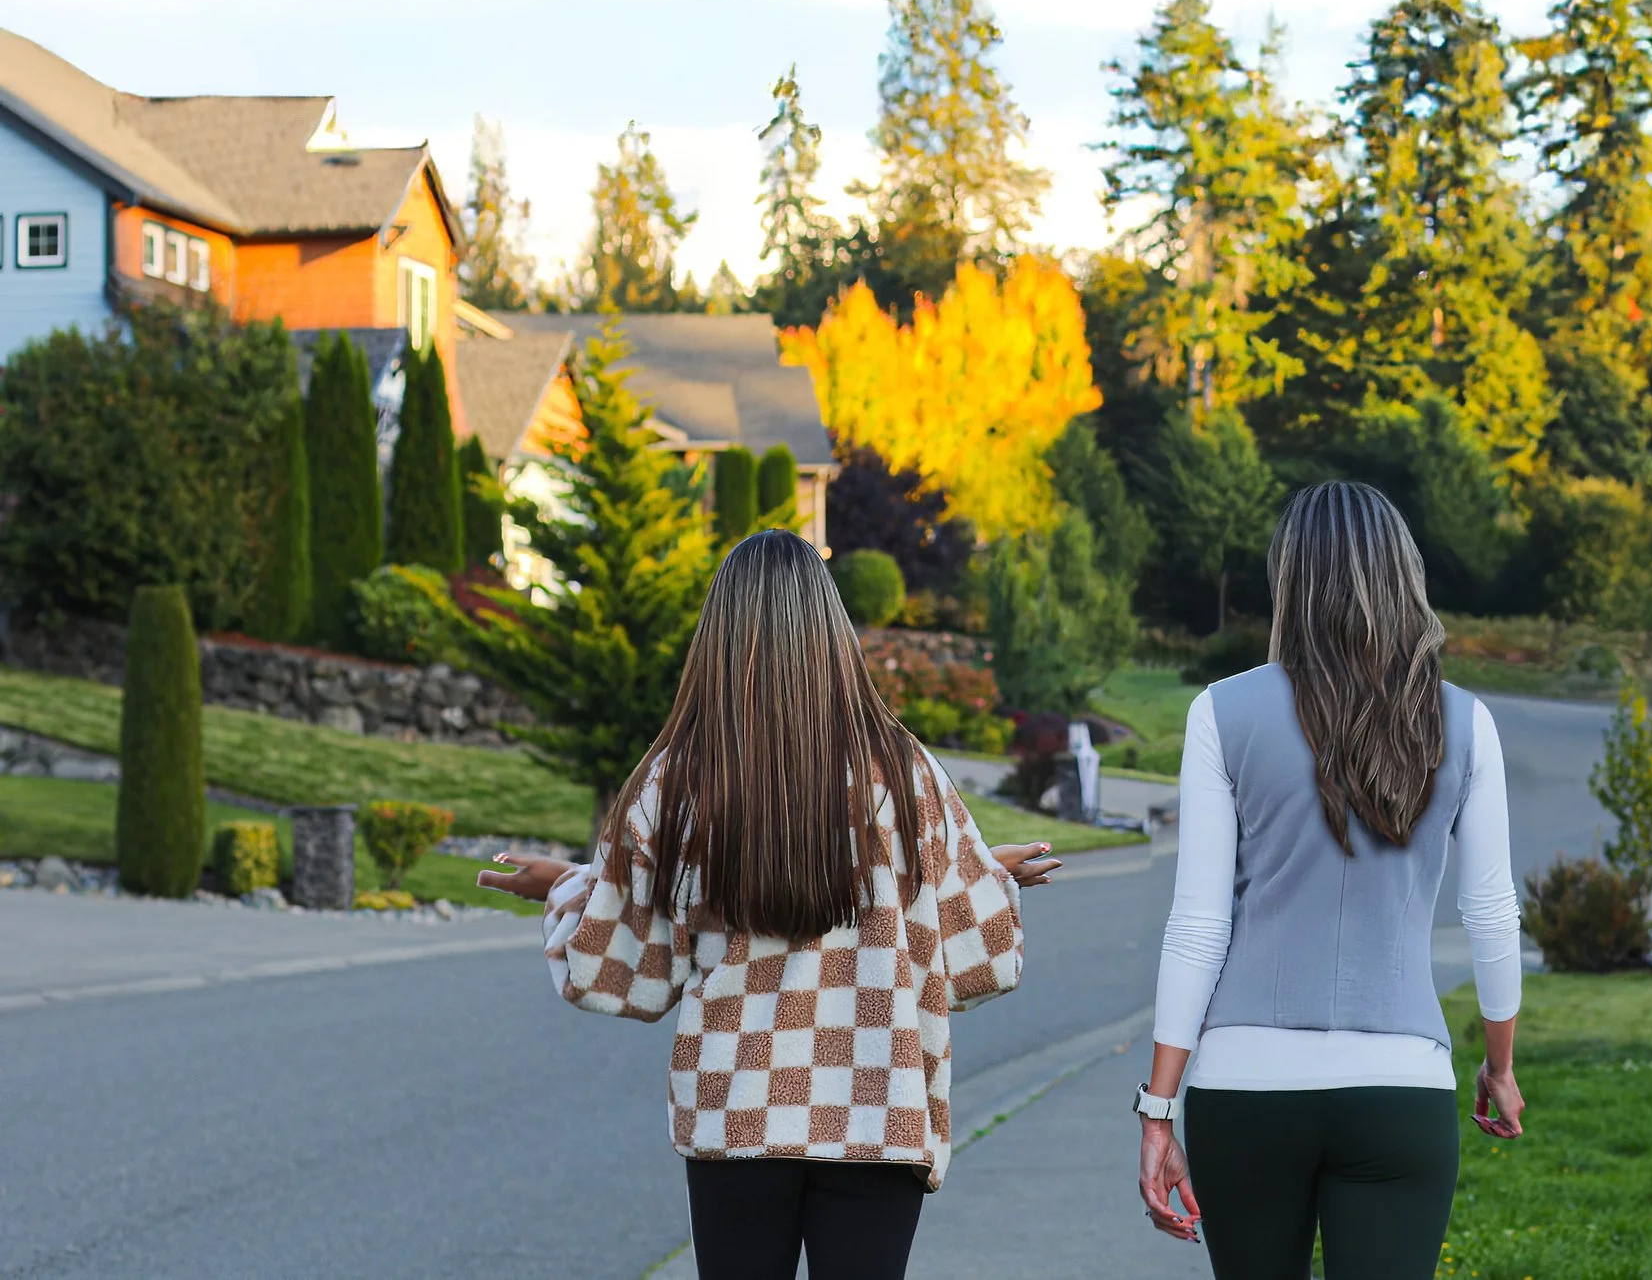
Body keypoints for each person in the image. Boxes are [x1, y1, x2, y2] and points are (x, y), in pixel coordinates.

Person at [479, 528, 1059, 1280]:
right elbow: (984, 959)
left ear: (719, 635)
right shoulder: (904, 770)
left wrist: (566, 885)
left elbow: (622, 971)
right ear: (831, 630)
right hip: (878, 1114)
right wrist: (982, 871)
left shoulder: (676, 779)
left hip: (735, 1116)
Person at [1137, 480, 1524, 1279]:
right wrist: (1500, 1063)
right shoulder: (1463, 721)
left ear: (1292, 580)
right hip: (1400, 1083)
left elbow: (1199, 925)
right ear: (1402, 574)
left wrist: (1158, 1109)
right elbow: (1491, 913)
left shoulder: (1222, 711)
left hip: (1244, 1086)